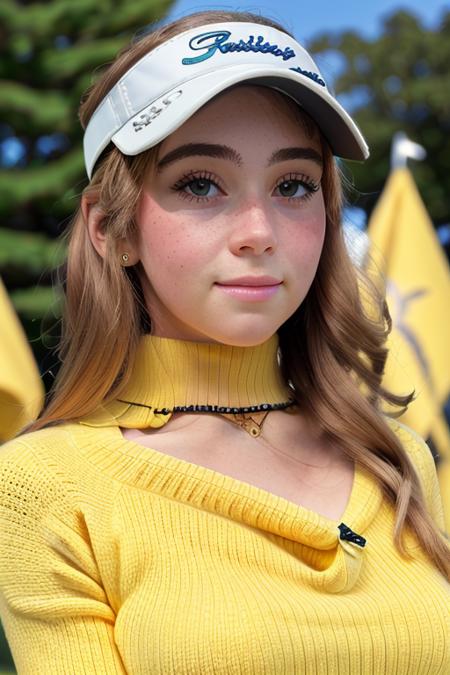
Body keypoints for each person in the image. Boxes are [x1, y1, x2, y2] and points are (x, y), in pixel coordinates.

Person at [0, 10, 448, 674]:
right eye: (201, 183)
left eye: (293, 185)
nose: (258, 229)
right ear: (110, 228)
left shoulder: (399, 459)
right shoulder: (42, 482)